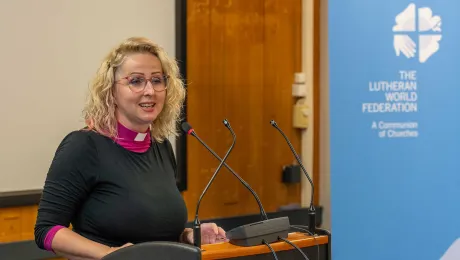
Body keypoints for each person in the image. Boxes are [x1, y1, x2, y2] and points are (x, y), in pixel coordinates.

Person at [34, 37, 227, 260]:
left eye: (157, 80)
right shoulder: (83, 146)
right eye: (136, 81)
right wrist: (110, 255)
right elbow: (46, 231)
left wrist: (187, 236)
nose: (150, 91)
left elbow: (151, 230)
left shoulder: (161, 146)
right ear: (111, 91)